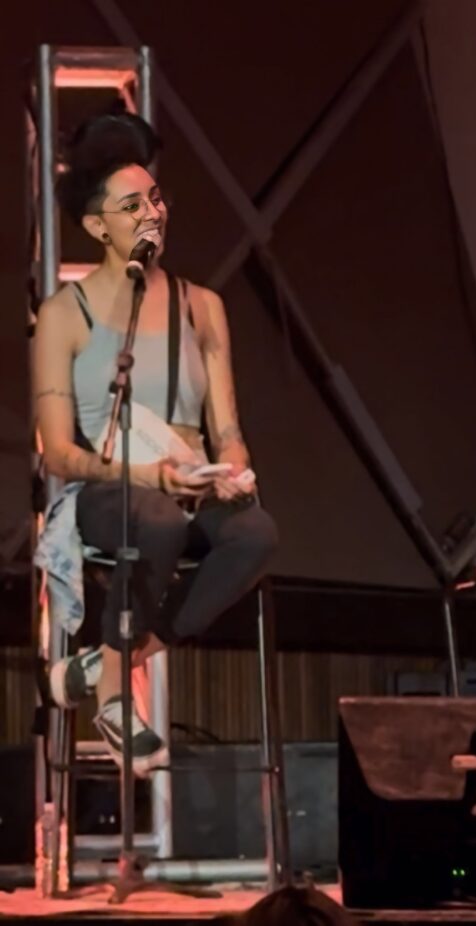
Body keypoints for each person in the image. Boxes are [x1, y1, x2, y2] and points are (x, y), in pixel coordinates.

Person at [33, 111, 278, 775]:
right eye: (132, 205)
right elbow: (59, 452)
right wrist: (154, 477)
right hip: (109, 490)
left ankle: (112, 660)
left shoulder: (203, 306)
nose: (153, 214)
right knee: (159, 520)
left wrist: (232, 470)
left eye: (157, 199)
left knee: (255, 533)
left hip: (189, 488)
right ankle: (114, 698)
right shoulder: (64, 315)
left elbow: (228, 430)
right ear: (97, 227)